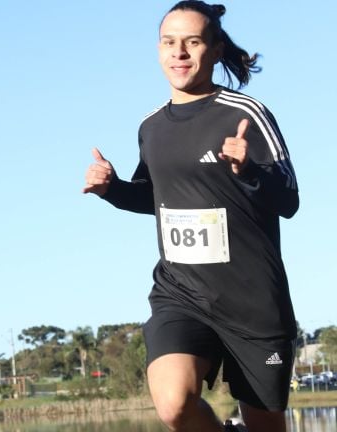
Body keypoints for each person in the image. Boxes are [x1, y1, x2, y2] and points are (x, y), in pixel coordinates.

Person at [83, 2, 298, 431]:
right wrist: (111, 191)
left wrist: (249, 171)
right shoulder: (151, 127)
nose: (179, 52)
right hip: (181, 295)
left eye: (192, 42)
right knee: (173, 404)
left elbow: (289, 200)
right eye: (169, 42)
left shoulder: (244, 114)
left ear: (215, 50)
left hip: (254, 303)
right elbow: (154, 199)